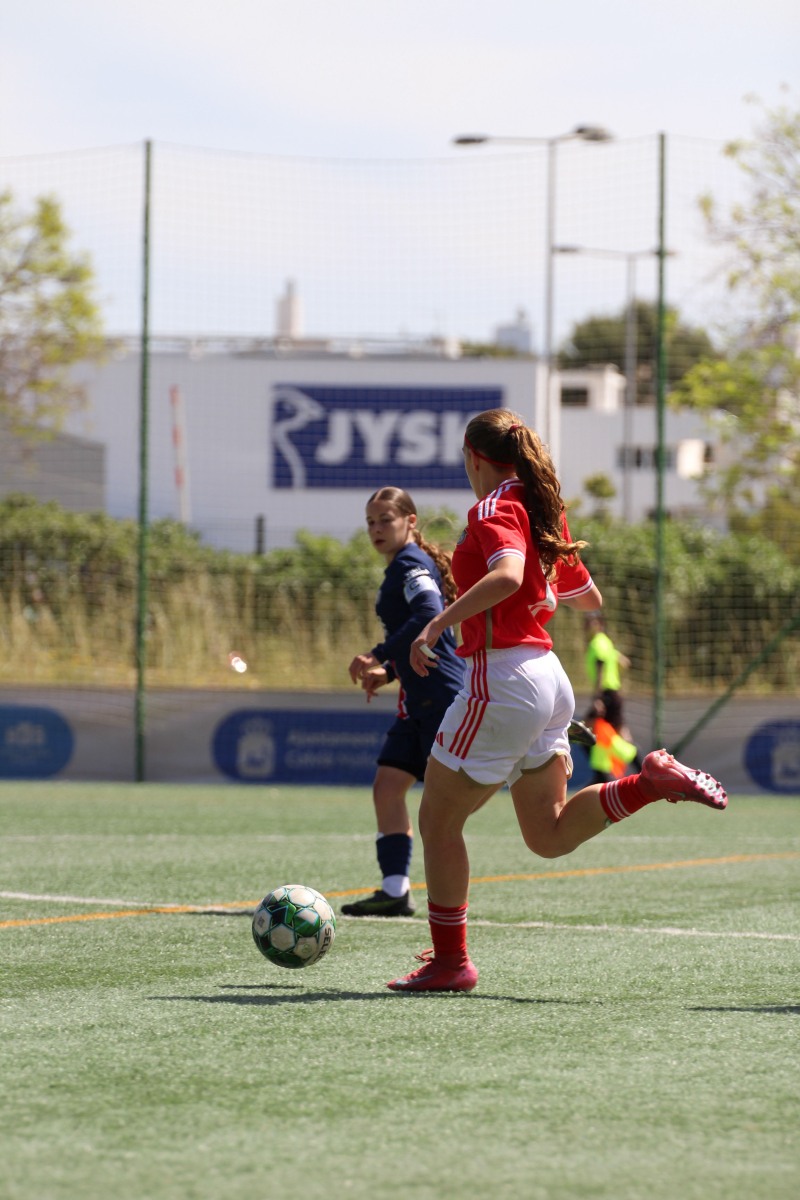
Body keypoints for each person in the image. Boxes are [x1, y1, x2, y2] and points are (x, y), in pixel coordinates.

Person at [386, 408, 727, 993]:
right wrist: (539, 583)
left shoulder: (493, 508)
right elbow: (588, 597)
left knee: (438, 820)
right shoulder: (541, 507)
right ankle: (649, 783)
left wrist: (437, 624)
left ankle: (451, 963)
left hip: (503, 679)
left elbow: (507, 575)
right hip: (547, 677)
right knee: (547, 835)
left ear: (474, 457)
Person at [342, 487, 465, 917]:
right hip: (419, 700)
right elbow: (425, 636)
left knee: (446, 808)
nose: (376, 529)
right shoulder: (404, 564)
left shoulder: (410, 564)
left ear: (411, 521)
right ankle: (395, 891)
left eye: (385, 520)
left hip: (442, 697)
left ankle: (543, 735)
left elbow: (429, 614)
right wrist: (391, 671)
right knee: (388, 786)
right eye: (370, 522)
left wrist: (378, 655)